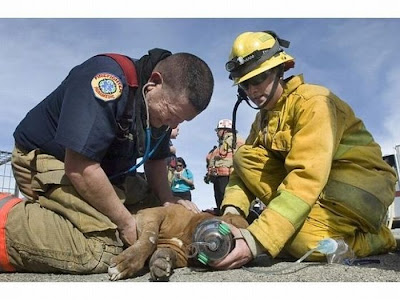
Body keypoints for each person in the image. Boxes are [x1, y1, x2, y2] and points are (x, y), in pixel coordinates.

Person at [1, 49, 214, 274]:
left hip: (101, 171)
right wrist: (124, 222)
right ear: (154, 82)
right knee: (104, 250)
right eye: (170, 113)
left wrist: (168, 201)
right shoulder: (108, 80)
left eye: (181, 120)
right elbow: (80, 167)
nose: (172, 124)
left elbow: (156, 162)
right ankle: (9, 220)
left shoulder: (158, 108)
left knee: (166, 221)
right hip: (52, 160)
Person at [211, 30, 397, 270]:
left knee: (301, 243)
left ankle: (380, 238)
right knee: (244, 156)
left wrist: (257, 240)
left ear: (281, 69)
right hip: (321, 189)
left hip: (359, 188)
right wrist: (232, 213)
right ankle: (304, 226)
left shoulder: (313, 102)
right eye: (246, 84)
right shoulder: (262, 121)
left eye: (259, 78)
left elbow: (306, 176)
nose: (253, 90)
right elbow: (242, 170)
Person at [205, 119, 244, 215]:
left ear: (225, 130)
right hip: (219, 177)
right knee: (220, 203)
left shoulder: (235, 139)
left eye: (218, 130)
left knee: (226, 201)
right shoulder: (222, 144)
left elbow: (242, 154)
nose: (217, 133)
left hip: (228, 176)